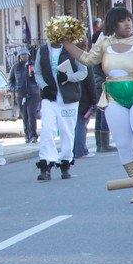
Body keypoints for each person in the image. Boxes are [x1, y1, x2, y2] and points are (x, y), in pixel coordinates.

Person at [63, 6, 133, 203]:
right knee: (123, 145)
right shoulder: (104, 41)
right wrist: (66, 43)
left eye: (129, 20)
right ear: (113, 23)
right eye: (122, 20)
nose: (128, 23)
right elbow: (87, 59)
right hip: (113, 96)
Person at [34, 33, 88, 180]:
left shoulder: (72, 50)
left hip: (68, 98)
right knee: (47, 129)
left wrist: (69, 78)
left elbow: (83, 72)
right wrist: (44, 87)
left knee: (67, 131)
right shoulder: (43, 50)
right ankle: (46, 164)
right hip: (50, 97)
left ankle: (65, 162)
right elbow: (37, 72)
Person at [9, 47, 41, 143]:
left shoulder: (33, 65)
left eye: (25, 54)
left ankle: (33, 135)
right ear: (19, 56)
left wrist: (36, 84)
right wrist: (15, 88)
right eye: (22, 55)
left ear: (29, 56)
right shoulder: (16, 67)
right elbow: (11, 80)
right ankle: (27, 135)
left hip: (33, 93)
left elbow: (39, 77)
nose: (24, 56)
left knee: (32, 114)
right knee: (25, 115)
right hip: (21, 95)